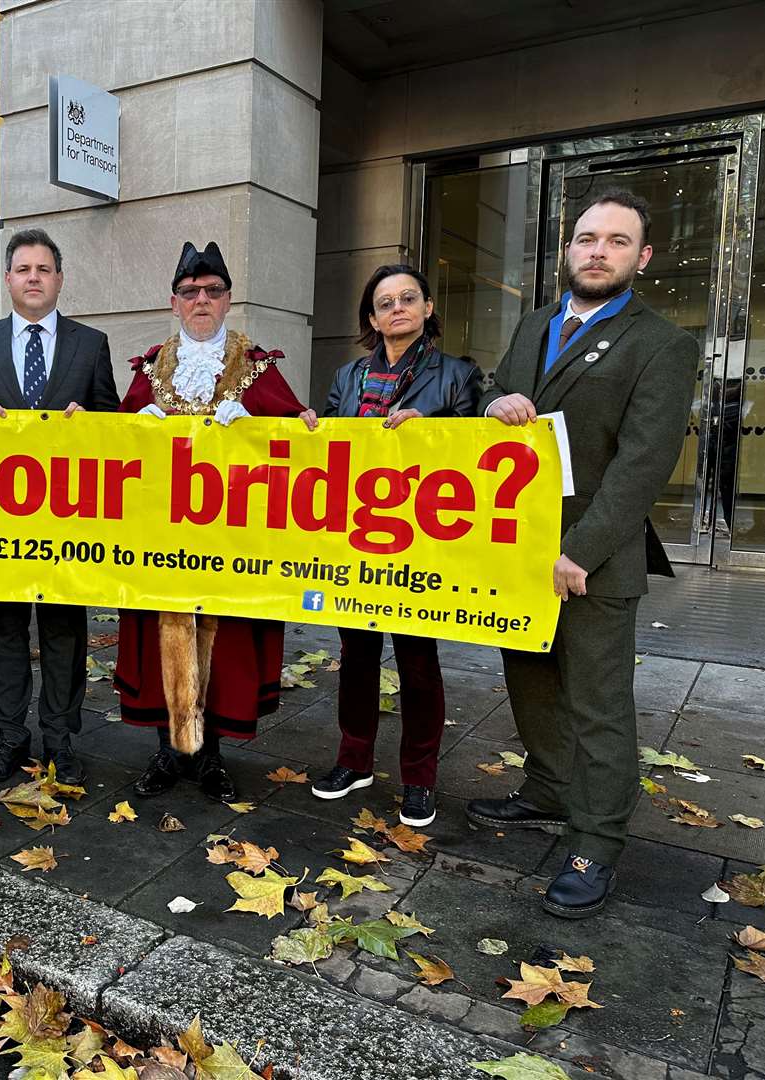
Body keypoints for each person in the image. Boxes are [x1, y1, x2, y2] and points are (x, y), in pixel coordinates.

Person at [466, 189, 699, 918]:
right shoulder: (536, 323)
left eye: (617, 241)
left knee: (598, 706)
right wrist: (494, 404)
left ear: (642, 257)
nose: (598, 251)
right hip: (518, 548)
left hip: (592, 558)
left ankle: (595, 842)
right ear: (568, 248)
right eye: (587, 238)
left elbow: (642, 464)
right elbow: (503, 393)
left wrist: (583, 550)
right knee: (530, 678)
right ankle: (546, 789)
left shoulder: (661, 343)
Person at [117, 241, 318, 803]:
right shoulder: (149, 369)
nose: (201, 300)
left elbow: (297, 441)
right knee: (158, 638)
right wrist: (135, 424)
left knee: (226, 648)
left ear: (228, 300)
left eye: (212, 292)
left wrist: (261, 424)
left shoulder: (257, 369)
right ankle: (165, 750)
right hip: (161, 538)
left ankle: (212, 758)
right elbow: (110, 452)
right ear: (174, 303)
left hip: (232, 539)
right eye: (190, 293)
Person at [0, 228, 120, 786]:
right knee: (0, 632)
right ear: (7, 280)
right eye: (23, 269)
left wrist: (90, 427)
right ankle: (9, 738)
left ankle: (61, 740)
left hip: (67, 523)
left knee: (65, 634)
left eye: (44, 269)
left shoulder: (90, 344)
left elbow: (115, 429)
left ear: (60, 279)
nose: (34, 278)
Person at [309, 265, 480, 828]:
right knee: (356, 656)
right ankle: (353, 759)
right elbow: (331, 450)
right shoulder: (349, 377)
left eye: (409, 298)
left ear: (429, 308)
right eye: (385, 302)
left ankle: (419, 778)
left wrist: (431, 428)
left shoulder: (458, 375)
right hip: (356, 539)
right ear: (371, 318)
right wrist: (312, 427)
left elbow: (479, 451)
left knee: (417, 662)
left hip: (421, 541)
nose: (397, 308)